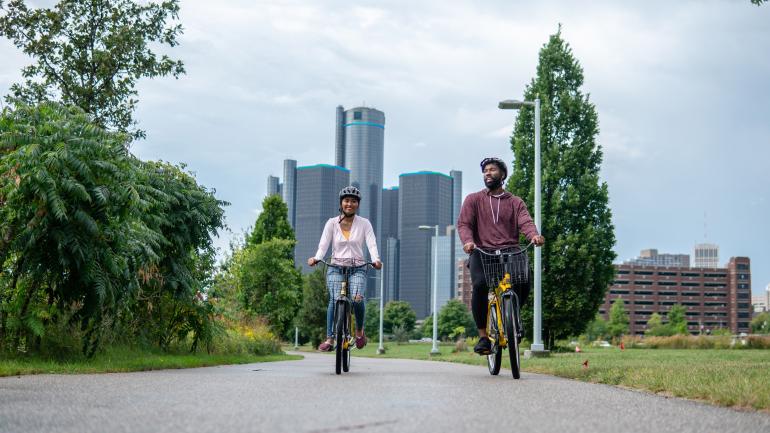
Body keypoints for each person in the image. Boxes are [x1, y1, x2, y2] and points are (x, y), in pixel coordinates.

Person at [457, 157, 545, 355]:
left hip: (510, 250)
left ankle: (513, 319)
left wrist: (534, 236)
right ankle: (483, 337)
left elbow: (526, 222)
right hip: (481, 251)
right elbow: (464, 224)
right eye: (485, 170)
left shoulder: (515, 202)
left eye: (492, 170)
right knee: (480, 285)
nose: (488, 173)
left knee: (523, 280)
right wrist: (468, 242)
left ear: (502, 175)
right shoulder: (473, 199)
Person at [308, 186, 382, 352]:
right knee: (335, 299)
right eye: (347, 200)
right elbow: (323, 245)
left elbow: (371, 244)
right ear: (341, 203)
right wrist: (316, 258)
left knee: (357, 297)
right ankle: (330, 339)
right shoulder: (331, 223)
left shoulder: (364, 224)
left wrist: (376, 260)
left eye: (354, 201)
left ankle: (359, 331)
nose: (350, 204)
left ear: (358, 204)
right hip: (335, 267)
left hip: (358, 267)